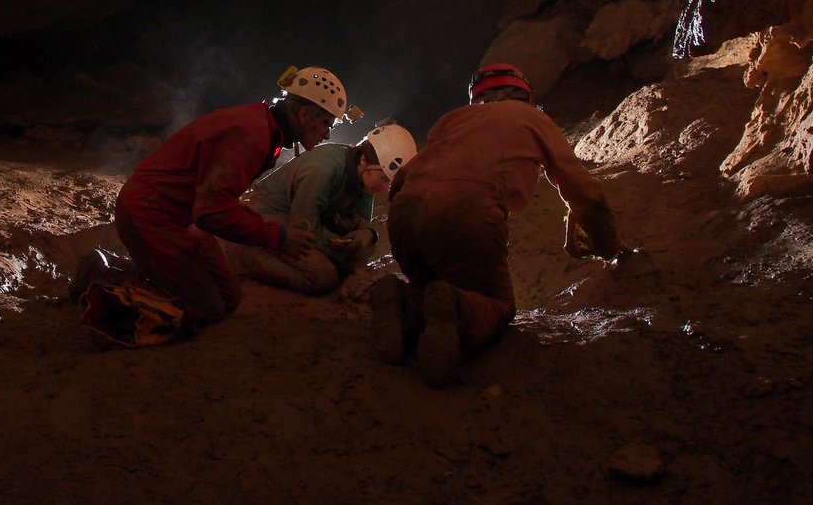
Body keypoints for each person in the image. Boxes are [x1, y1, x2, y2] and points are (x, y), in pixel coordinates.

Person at [71, 65, 360, 345]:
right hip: (150, 215)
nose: (327, 135)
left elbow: (216, 200)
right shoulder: (251, 134)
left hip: (182, 215)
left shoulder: (265, 129)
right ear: (305, 113)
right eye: (326, 124)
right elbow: (212, 213)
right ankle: (102, 273)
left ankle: (153, 273)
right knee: (207, 308)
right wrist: (278, 238)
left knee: (229, 298)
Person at [371, 63, 621, 386]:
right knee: (497, 305)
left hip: (405, 216)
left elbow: (401, 181)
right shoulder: (533, 119)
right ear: (526, 97)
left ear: (476, 100)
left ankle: (404, 301)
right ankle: (456, 311)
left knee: (433, 282)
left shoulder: (452, 120)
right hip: (465, 213)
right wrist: (610, 246)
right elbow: (588, 196)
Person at [234, 123, 418, 295]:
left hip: (309, 217)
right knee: (323, 276)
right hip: (270, 213)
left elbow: (362, 223)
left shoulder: (363, 176)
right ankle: (245, 255)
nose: (385, 187)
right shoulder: (322, 169)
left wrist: (368, 234)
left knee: (361, 251)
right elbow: (301, 228)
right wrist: (338, 250)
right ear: (364, 159)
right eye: (384, 178)